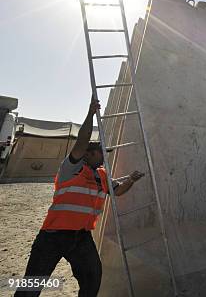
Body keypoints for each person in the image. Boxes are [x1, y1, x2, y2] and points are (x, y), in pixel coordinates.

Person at [15, 97, 145, 297]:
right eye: (101, 153)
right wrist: (91, 114)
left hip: (81, 237)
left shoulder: (101, 175)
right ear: (88, 154)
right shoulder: (71, 169)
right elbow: (81, 142)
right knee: (31, 287)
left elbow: (117, 191)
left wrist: (131, 180)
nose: (104, 156)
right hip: (53, 236)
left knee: (92, 277)